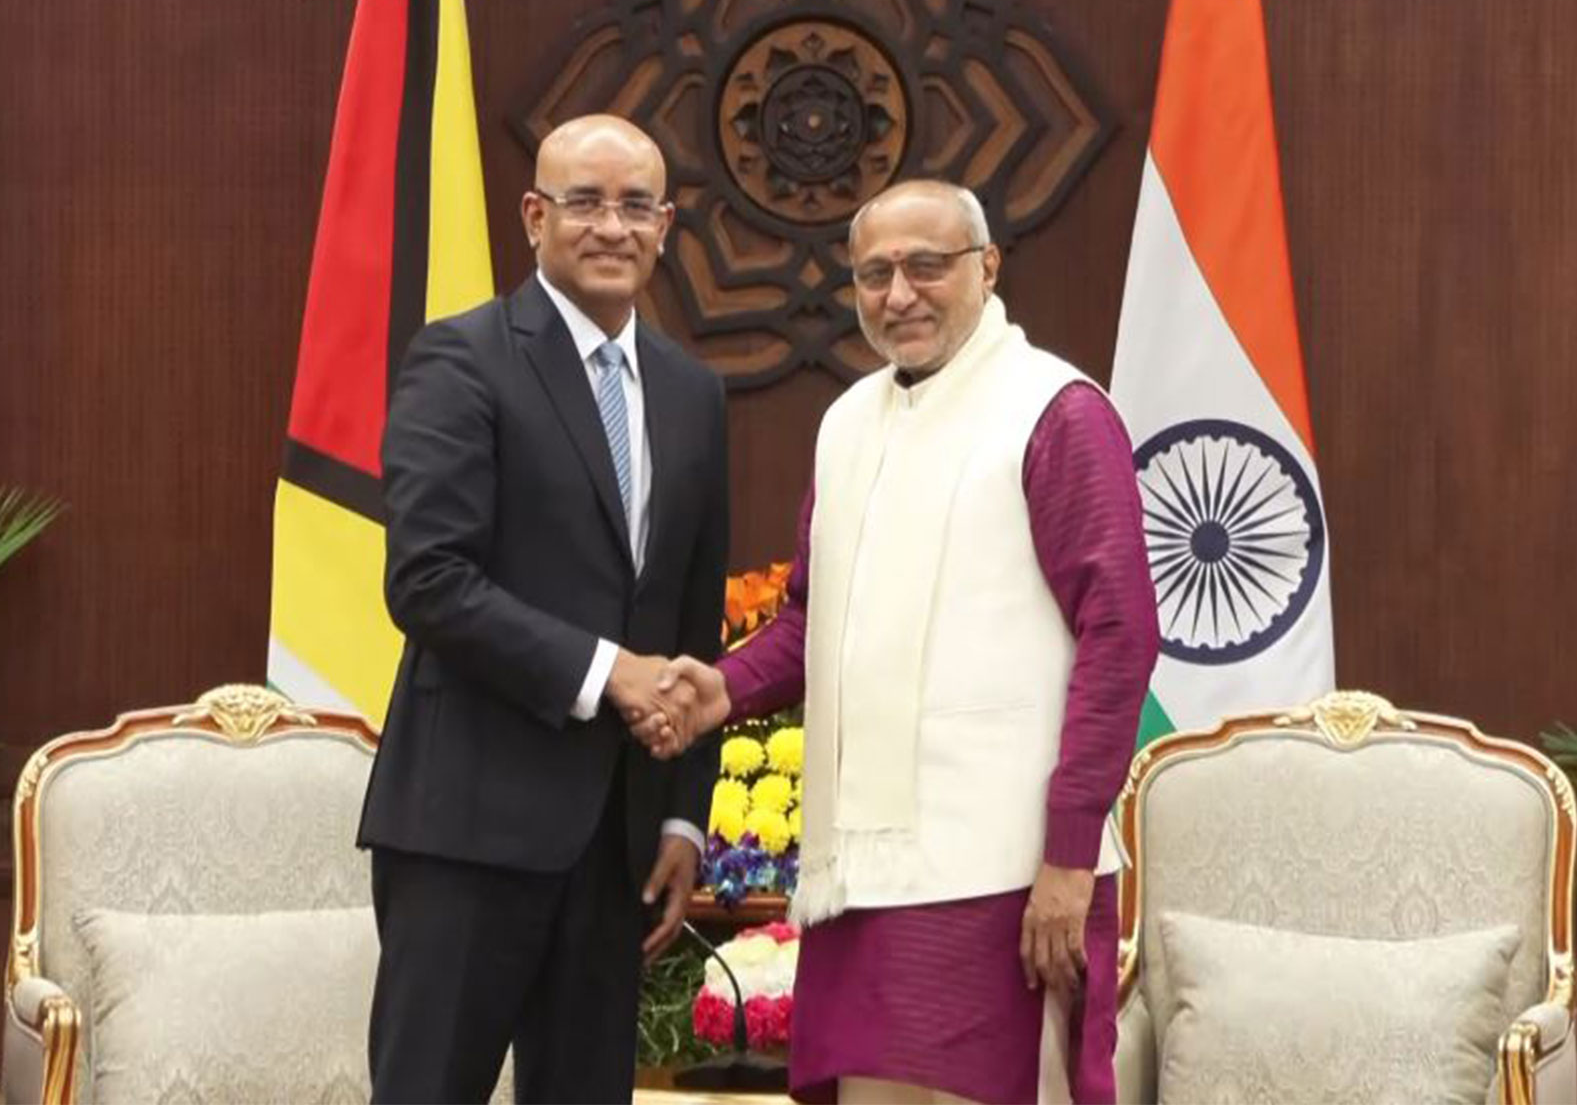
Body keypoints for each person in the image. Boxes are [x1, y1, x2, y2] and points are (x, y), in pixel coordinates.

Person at [641, 180, 1158, 1104]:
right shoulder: (848, 423)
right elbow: (811, 617)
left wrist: (1069, 858)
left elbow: (1119, 636)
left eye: (928, 266)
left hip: (1004, 872)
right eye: (874, 273)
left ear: (988, 267)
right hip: (861, 877)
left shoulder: (1056, 411)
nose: (899, 293)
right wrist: (721, 691)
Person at [356, 114, 728, 1104]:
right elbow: (427, 580)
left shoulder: (695, 395)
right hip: (467, 829)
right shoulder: (463, 358)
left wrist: (685, 818)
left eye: (636, 205)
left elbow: (691, 627)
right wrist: (610, 673)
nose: (612, 226)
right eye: (584, 202)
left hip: (619, 848)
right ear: (533, 216)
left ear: (665, 224)